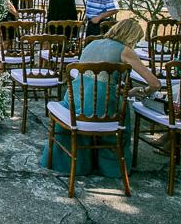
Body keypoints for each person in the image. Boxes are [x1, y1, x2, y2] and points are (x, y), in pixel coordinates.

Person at [40, 19, 162, 177]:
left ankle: (82, 162)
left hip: (76, 100)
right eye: (137, 39)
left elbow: (97, 83)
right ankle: (112, 166)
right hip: (100, 108)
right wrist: (146, 91)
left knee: (108, 100)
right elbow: (156, 83)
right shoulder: (125, 51)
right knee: (121, 111)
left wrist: (129, 92)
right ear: (132, 37)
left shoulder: (93, 44)